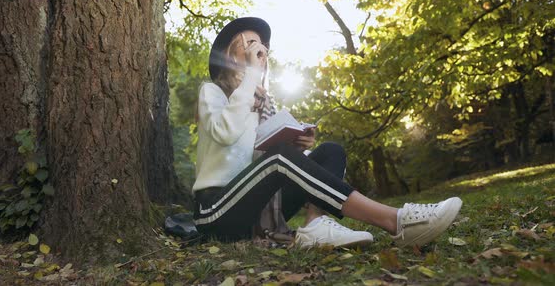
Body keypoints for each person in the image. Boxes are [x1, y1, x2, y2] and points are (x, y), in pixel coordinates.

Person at [192, 17, 462, 248]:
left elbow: (258, 161)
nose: (259, 50)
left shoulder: (262, 104)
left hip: (255, 210)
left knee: (329, 151)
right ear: (230, 55)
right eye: (250, 44)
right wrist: (251, 77)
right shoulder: (213, 92)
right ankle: (395, 220)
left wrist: (298, 147)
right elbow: (225, 133)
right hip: (215, 211)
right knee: (279, 157)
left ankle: (315, 226)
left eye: (262, 47)